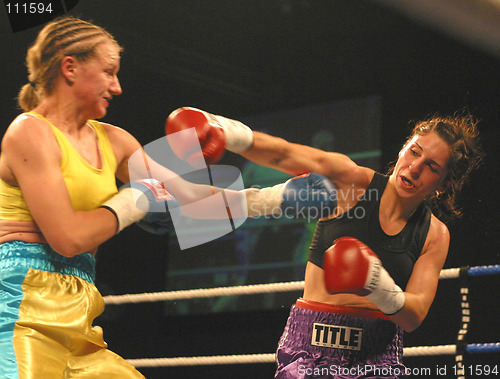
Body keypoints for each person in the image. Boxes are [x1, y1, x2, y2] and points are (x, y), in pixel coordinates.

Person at [0, 17, 339, 378]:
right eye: (108, 72)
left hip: (80, 309)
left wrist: (276, 198)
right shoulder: (29, 133)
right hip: (21, 308)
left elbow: (188, 196)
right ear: (70, 67)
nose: (117, 87)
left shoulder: (113, 140)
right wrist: (135, 201)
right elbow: (68, 239)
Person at [166, 107, 484, 378]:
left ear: (444, 184)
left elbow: (414, 315)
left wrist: (376, 283)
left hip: (378, 356)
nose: (415, 168)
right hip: (311, 347)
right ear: (403, 148)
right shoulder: (351, 182)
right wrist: (223, 130)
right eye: (415, 152)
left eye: (431, 167)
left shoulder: (434, 234)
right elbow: (284, 153)